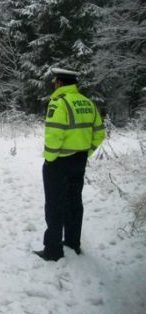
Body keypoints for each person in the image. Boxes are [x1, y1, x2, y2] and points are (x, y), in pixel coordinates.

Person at [34, 68, 106, 261]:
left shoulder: (59, 103)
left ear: (59, 83)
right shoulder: (87, 103)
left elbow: (54, 135)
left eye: (55, 81)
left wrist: (50, 159)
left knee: (54, 205)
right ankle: (73, 243)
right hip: (79, 161)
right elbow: (100, 133)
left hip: (59, 163)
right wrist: (85, 152)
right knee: (74, 202)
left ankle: (52, 250)